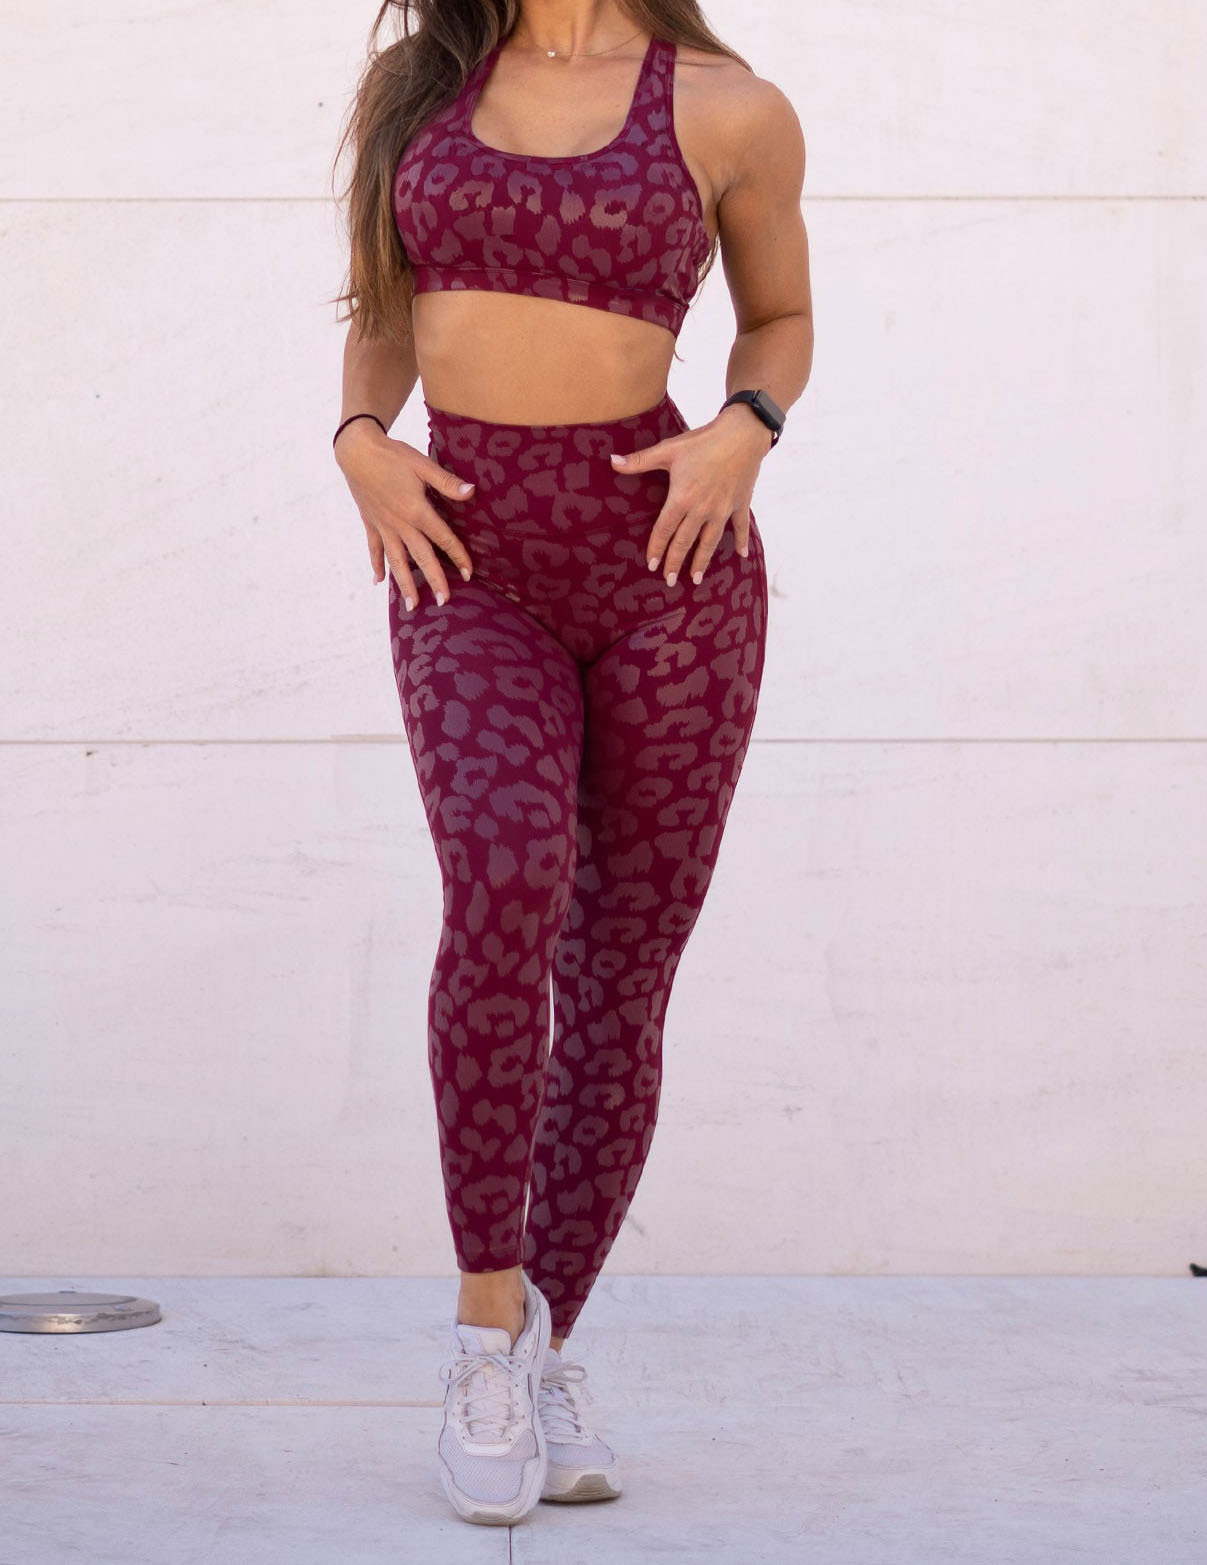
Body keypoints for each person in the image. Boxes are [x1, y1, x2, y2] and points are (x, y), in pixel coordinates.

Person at [331, 0, 811, 1526]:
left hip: (670, 561)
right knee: (505, 874)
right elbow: (384, 307)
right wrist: (359, 437)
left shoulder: (727, 107)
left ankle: (550, 1344)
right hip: (468, 556)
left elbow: (782, 318)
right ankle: (485, 1337)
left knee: (621, 966)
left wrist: (747, 422)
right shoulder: (423, 87)